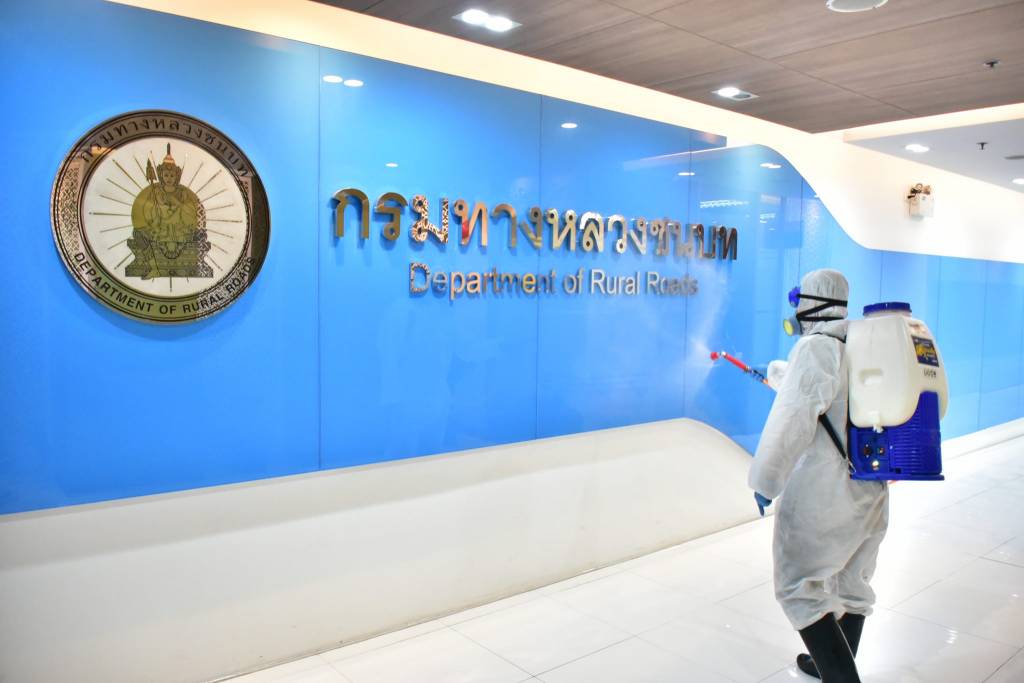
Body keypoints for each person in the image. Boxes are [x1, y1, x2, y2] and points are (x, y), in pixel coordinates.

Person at [749, 269, 889, 682]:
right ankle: (833, 662)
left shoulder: (815, 347)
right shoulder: (863, 344)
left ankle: (840, 675)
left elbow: (792, 419)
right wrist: (778, 372)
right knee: (852, 583)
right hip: (870, 487)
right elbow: (831, 396)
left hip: (826, 491)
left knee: (797, 585)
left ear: (810, 303)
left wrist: (765, 481)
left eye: (798, 300)